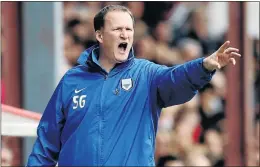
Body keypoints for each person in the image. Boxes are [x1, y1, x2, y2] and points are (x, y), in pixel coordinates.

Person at [27, 5, 241, 166]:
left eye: (129, 29)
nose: (125, 34)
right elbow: (47, 141)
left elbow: (176, 80)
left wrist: (203, 66)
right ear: (100, 35)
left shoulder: (146, 74)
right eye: (117, 29)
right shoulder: (72, 81)